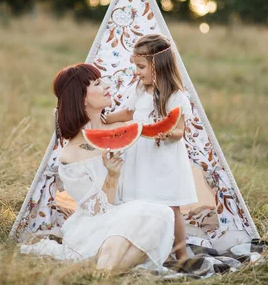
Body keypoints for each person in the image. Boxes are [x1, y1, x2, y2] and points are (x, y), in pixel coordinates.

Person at [21, 63, 175, 271]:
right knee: (140, 216)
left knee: (162, 214)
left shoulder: (121, 129)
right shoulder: (71, 153)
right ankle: (104, 273)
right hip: (95, 224)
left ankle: (103, 273)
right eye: (97, 83)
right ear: (82, 98)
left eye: (102, 80)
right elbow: (96, 210)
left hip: (135, 212)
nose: (106, 85)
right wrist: (112, 175)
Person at [103, 34, 197, 262]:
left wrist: (167, 134)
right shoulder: (139, 89)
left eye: (141, 66)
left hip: (164, 160)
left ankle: (182, 255)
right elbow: (129, 113)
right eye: (135, 66)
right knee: (140, 204)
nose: (137, 71)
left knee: (171, 208)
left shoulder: (176, 96)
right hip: (140, 156)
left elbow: (180, 130)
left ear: (158, 65)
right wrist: (107, 119)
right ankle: (147, 248)